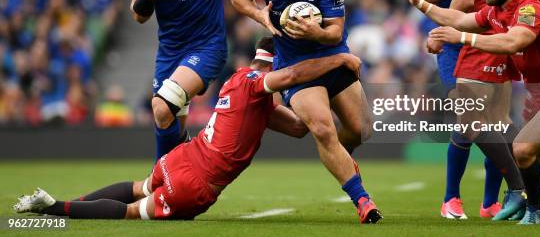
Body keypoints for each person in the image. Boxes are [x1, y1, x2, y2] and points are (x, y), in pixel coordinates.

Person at [13, 38, 365, 221]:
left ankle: (66, 204)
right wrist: (337, 61)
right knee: (131, 212)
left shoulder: (239, 82)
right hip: (194, 183)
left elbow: (298, 128)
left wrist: (325, 110)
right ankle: (55, 207)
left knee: (138, 187)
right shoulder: (258, 82)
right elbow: (288, 77)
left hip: (184, 158)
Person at [402, 0, 540, 225]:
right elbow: (459, 18)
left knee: (523, 149)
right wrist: (420, 3)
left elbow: (515, 41)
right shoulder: (497, 10)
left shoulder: (528, 10)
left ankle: (534, 209)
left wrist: (464, 38)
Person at [230, 0, 382, 223]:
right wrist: (259, 14)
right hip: (296, 66)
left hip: (331, 55)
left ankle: (338, 157)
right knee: (323, 129)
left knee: (362, 129)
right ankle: (363, 200)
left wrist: (316, 32)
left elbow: (336, 32)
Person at [425, 0, 525, 220]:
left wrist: (445, 33)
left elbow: (465, 0)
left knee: (478, 121)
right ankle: (482, 200)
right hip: (492, 33)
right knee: (484, 119)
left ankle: (479, 201)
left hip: (469, 36)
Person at [129, 0, 248, 161]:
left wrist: (257, 11)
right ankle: (181, 166)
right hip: (169, 52)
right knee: (167, 122)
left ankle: (159, 179)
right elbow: (138, 16)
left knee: (160, 107)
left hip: (207, 47)